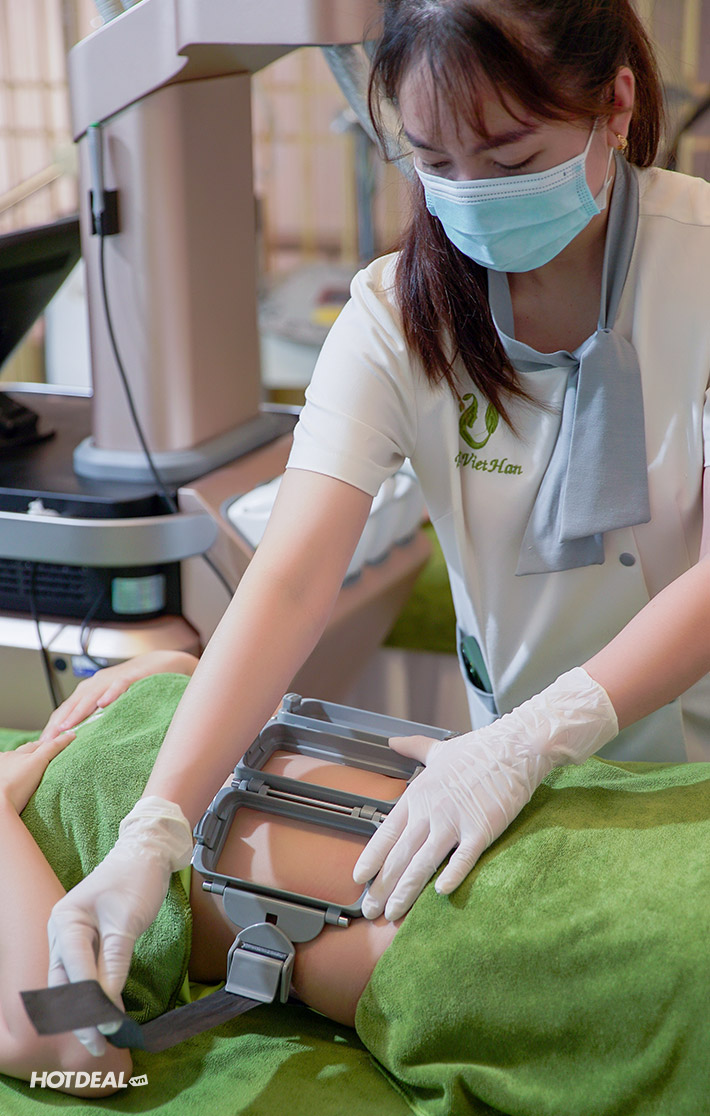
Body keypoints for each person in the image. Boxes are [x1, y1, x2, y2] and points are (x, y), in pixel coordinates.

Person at [39, 0, 710, 1058]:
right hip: (511, 792)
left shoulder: (700, 268)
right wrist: (153, 828)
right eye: (434, 160)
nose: (471, 193)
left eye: (508, 156)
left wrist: (534, 737)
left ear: (614, 104)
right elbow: (291, 579)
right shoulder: (399, 314)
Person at [8, 672, 710, 1114]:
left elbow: (230, 683)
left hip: (559, 802)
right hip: (474, 911)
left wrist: (167, 669)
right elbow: (77, 1054)